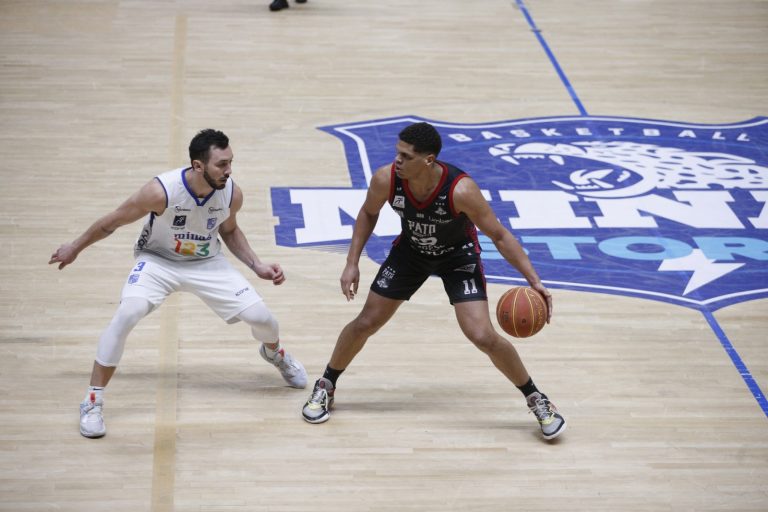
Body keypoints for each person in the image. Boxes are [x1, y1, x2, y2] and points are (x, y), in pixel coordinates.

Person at [301, 122, 566, 440]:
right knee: (365, 322)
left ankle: (537, 399)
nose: (397, 160)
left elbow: (499, 235)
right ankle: (326, 384)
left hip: (458, 257)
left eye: (406, 156)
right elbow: (368, 213)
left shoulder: (461, 190)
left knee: (483, 336)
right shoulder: (387, 179)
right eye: (397, 153)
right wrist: (351, 262)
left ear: (428, 160)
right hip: (411, 253)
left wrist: (534, 280)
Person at [50, 129, 307, 438]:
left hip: (206, 263)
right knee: (127, 313)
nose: (229, 170)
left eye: (230, 162)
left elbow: (229, 230)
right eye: (221, 164)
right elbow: (112, 221)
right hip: (158, 261)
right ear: (198, 165)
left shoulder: (230, 193)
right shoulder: (161, 192)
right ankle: (92, 401)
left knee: (263, 319)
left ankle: (274, 353)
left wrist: (257, 265)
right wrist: (75, 247)